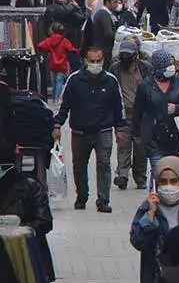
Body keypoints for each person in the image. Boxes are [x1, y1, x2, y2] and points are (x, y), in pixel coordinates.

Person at [53, 46, 125, 213]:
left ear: (103, 61)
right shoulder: (74, 80)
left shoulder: (111, 81)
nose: (95, 64)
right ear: (85, 61)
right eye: (92, 61)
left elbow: (118, 106)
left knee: (104, 165)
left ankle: (103, 200)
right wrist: (57, 125)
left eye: (98, 61)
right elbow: (64, 105)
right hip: (79, 132)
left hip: (103, 131)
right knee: (79, 166)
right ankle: (82, 196)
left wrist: (120, 128)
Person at [0, 141, 56, 282]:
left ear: (4, 162)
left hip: (25, 258)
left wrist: (17, 230)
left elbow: (45, 221)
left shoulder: (30, 187)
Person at [133, 50, 179, 175]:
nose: (172, 67)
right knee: (158, 170)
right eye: (169, 64)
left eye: (173, 64)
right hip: (153, 136)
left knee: (173, 170)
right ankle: (155, 193)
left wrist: (176, 108)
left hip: (174, 136)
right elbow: (138, 110)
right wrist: (137, 134)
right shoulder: (145, 85)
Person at [109, 38, 153, 190]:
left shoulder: (145, 68)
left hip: (141, 115)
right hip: (123, 114)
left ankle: (140, 176)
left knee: (140, 148)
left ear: (135, 55)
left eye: (129, 55)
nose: (126, 59)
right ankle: (122, 175)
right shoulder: (115, 69)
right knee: (123, 144)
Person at [38, 22, 79, 103]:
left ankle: (54, 98)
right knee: (59, 82)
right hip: (62, 65)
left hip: (52, 64)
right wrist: (79, 50)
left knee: (53, 83)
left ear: (52, 30)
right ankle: (57, 99)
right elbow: (72, 50)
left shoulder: (49, 40)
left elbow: (40, 45)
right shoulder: (64, 41)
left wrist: (47, 50)